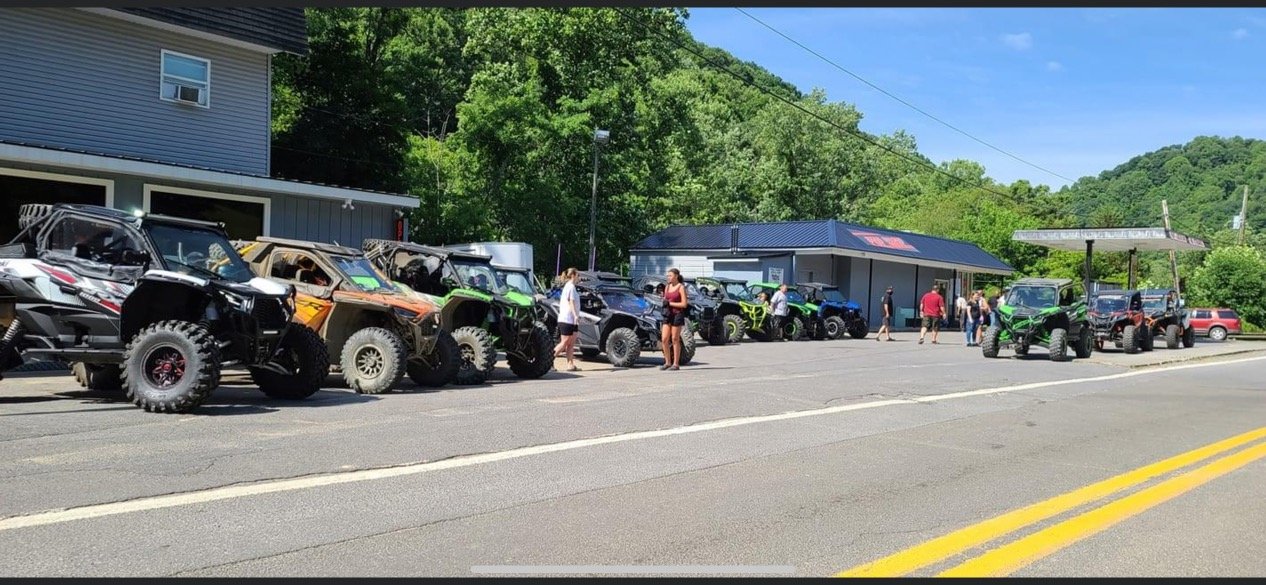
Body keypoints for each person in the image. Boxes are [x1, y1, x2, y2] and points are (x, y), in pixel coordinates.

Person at [659, 268, 689, 370]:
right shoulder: (667, 287)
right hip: (668, 315)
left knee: (675, 339)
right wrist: (663, 301)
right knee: (664, 339)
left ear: (676, 276)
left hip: (677, 314)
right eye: (668, 276)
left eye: (670, 275)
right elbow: (665, 299)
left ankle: (676, 364)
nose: (668, 277)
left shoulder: (680, 287)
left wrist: (670, 303)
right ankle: (667, 362)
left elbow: (684, 304)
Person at [552, 267, 581, 371]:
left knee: (571, 343)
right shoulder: (570, 287)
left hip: (572, 320)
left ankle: (570, 364)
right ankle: (549, 360)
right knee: (564, 342)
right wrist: (575, 315)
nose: (579, 278)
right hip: (567, 319)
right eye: (578, 275)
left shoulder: (572, 287)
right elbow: (571, 302)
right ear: (573, 275)